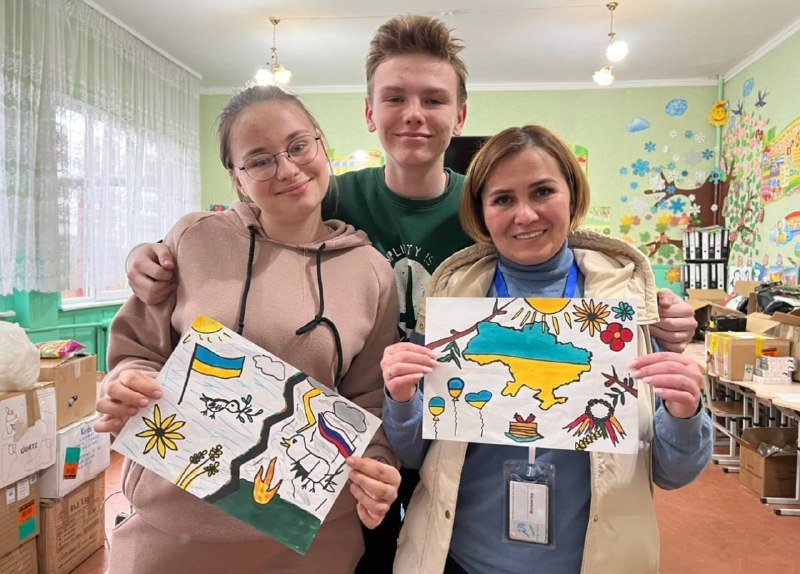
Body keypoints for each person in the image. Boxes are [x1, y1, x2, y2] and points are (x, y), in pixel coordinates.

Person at [120, 16, 698, 571]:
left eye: (434, 99)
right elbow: (255, 212)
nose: (414, 114)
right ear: (369, 112)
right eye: (395, 97)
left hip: (457, 449)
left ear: (460, 114)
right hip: (355, 447)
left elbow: (570, 260)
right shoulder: (328, 194)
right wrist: (153, 254)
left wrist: (657, 315)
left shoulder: (488, 203)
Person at [94, 85, 401, 574]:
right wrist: (126, 382)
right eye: (259, 160)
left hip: (310, 538)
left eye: (298, 146)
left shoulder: (373, 273)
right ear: (237, 178)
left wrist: (378, 464)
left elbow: (370, 400)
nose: (287, 169)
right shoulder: (194, 238)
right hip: (173, 528)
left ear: (322, 145)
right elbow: (139, 349)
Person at [380, 125, 713, 574]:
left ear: (572, 196)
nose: (525, 215)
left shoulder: (627, 307)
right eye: (502, 199)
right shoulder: (451, 303)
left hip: (592, 563)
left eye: (542, 192)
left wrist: (684, 413)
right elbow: (415, 455)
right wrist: (400, 398)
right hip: (458, 560)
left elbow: (673, 473)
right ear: (481, 212)